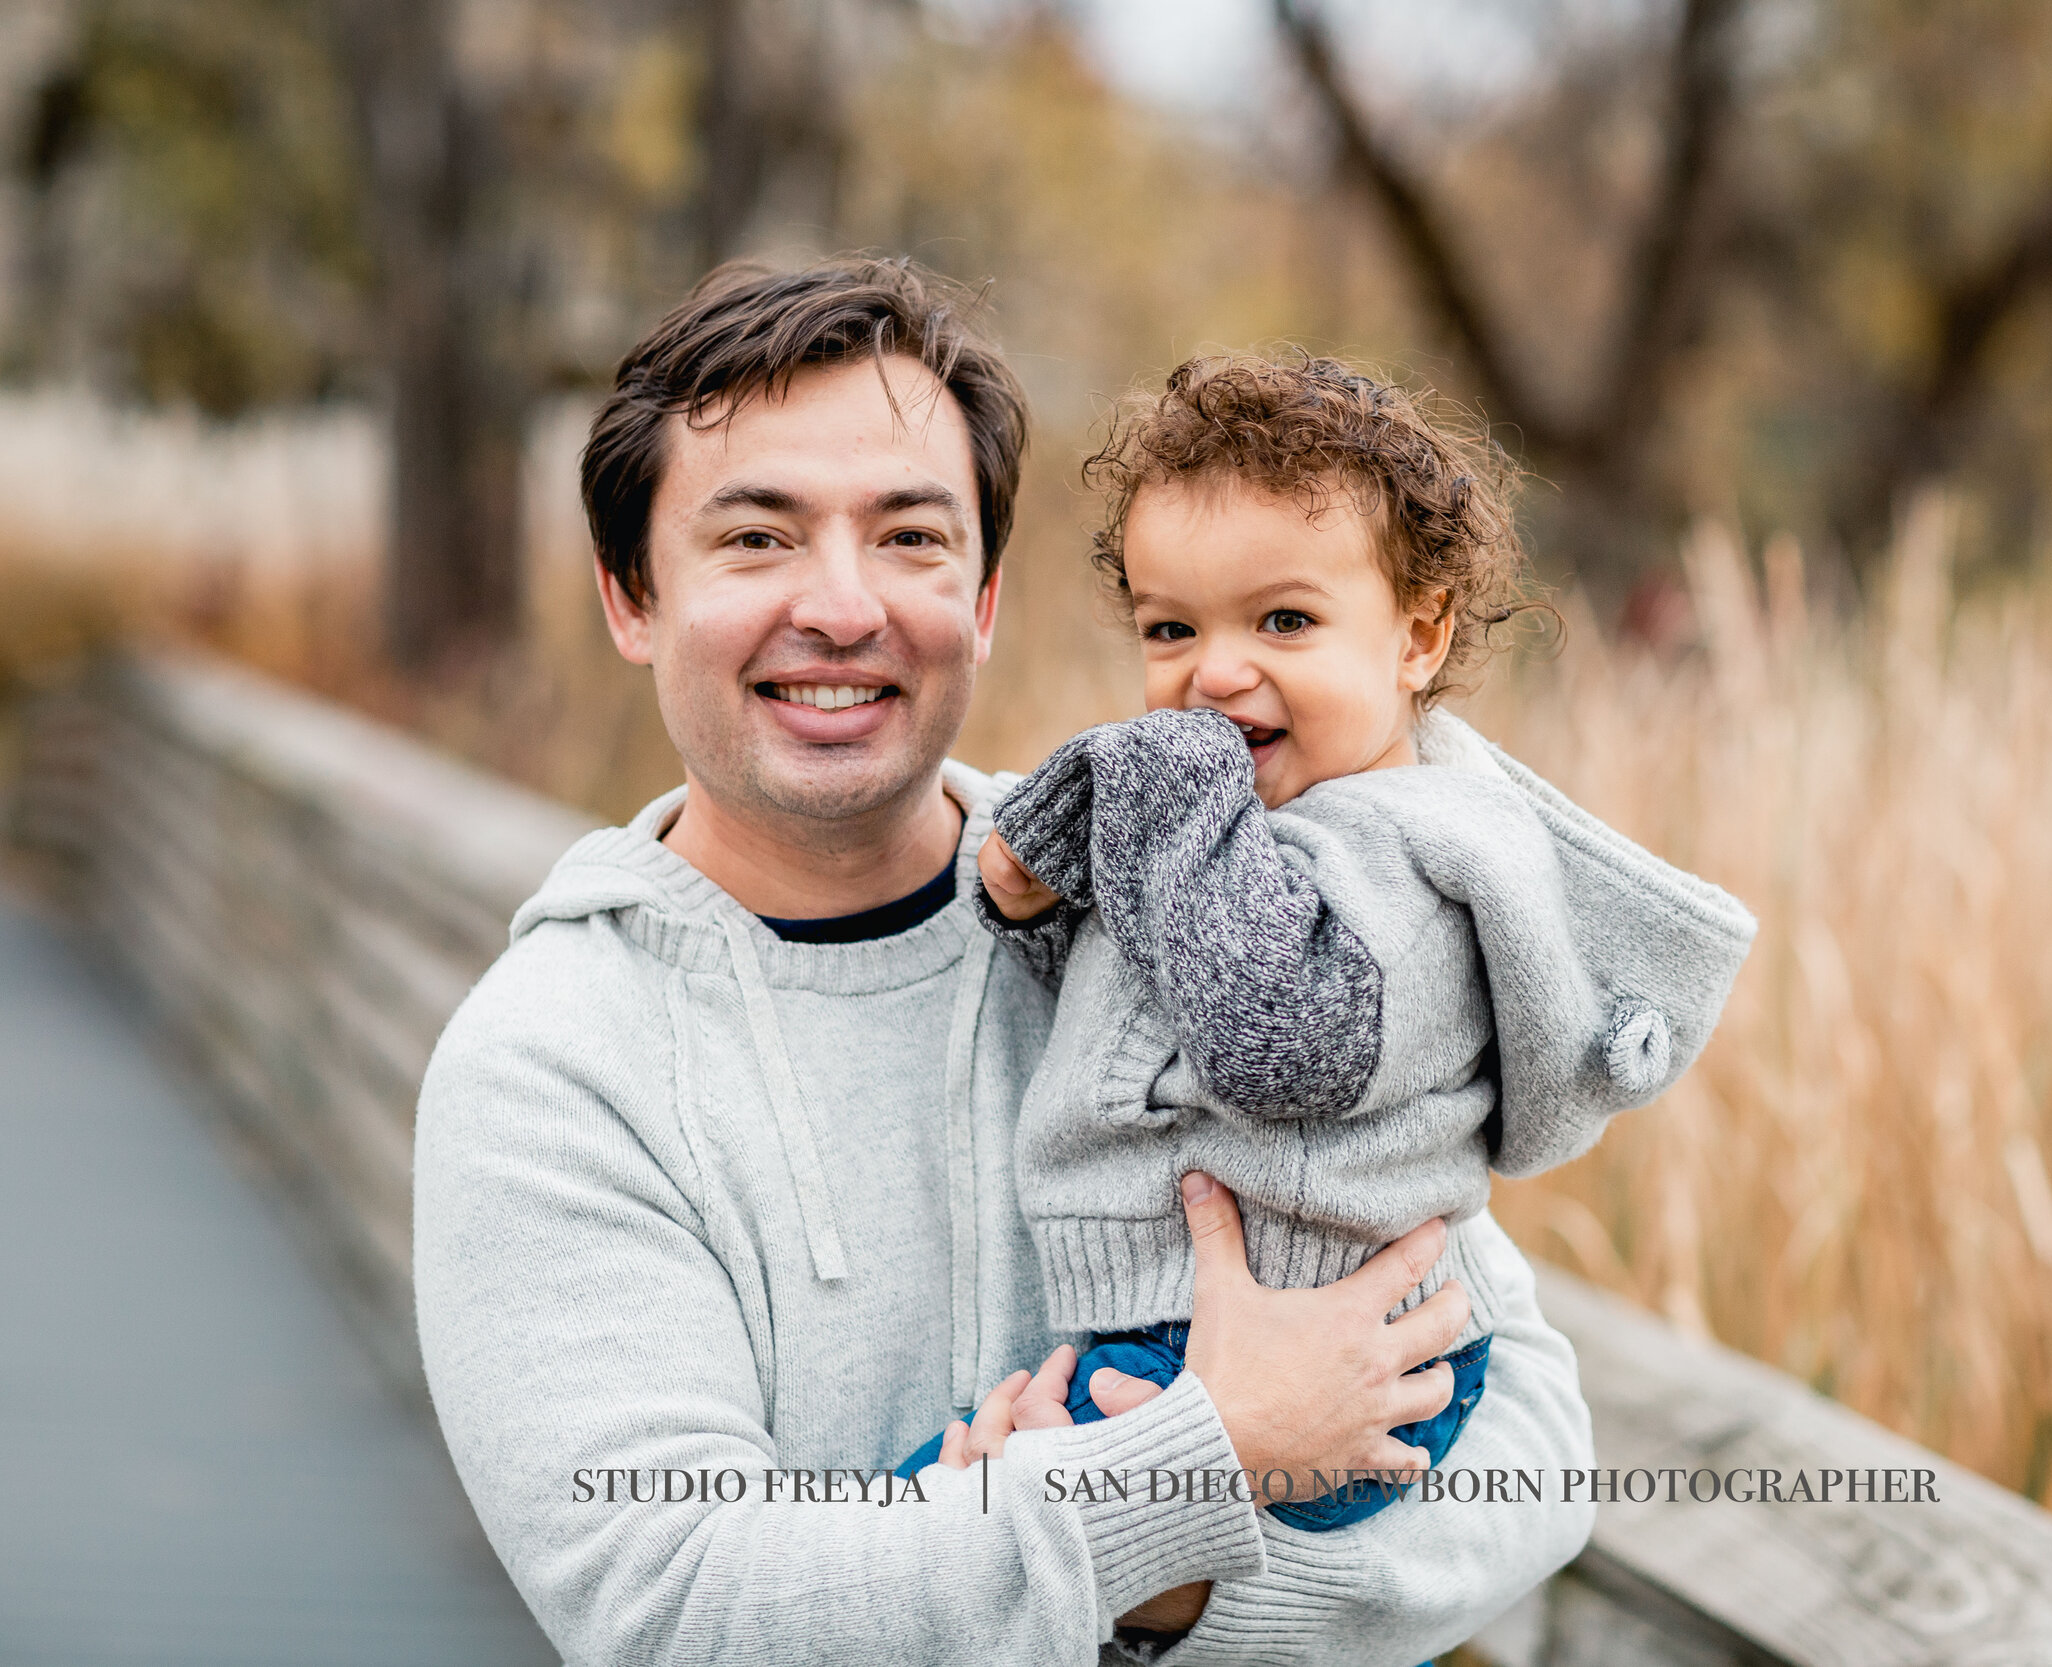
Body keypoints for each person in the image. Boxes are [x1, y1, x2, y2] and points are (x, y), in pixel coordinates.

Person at [412, 258, 1601, 1665]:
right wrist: (1184, 1478)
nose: (843, 607)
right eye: (757, 538)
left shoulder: (1189, 905)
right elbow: (679, 1599)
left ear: (982, 599)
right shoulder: (553, 1065)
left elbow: (1534, 1443)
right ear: (632, 597)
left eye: (911, 536)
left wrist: (1186, 1591)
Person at [890, 355, 1756, 1531]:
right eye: (1169, 626)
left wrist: (1162, 773)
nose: (1216, 671)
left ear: (1418, 635)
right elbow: (1123, 1017)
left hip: (1314, 1362)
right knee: (943, 1537)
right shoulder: (1255, 835)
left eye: (1285, 620)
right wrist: (1039, 897)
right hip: (1199, 1342)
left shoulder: (1408, 866)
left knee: (923, 1531)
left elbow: (1272, 1045)